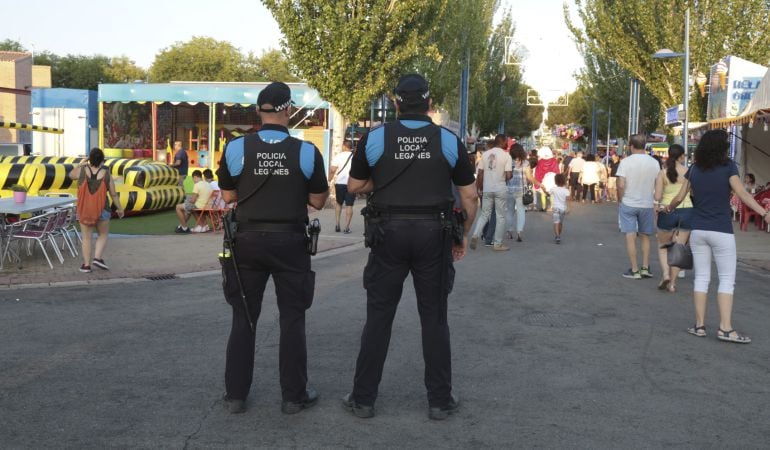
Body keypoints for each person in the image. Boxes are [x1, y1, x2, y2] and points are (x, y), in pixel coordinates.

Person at [343, 74, 477, 420]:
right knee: (434, 318)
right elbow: (469, 196)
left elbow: (356, 185)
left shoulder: (375, 137)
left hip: (388, 233)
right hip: (434, 233)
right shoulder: (449, 140)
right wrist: (462, 234)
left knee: (378, 317)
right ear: (429, 103)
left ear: (395, 102)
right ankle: (439, 400)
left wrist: (382, 181)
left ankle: (363, 399)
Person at [216, 81, 329, 414]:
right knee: (292, 318)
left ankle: (236, 395)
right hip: (291, 240)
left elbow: (229, 196)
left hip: (247, 241)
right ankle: (293, 396)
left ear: (258, 112)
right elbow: (318, 201)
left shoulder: (237, 148)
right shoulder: (306, 151)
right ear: (289, 111)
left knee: (243, 317)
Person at [667, 129, 769, 343]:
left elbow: (679, 196)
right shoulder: (728, 167)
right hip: (721, 229)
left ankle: (699, 325)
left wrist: (668, 208)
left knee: (702, 278)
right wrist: (764, 213)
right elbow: (741, 193)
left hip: (698, 230)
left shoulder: (693, 169)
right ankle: (725, 328)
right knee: (726, 280)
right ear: (722, 147)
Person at [68, 148, 125, 273]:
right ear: (102, 160)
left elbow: (71, 175)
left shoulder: (82, 171)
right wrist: (120, 209)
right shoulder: (106, 173)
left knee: (87, 237)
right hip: (102, 209)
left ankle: (86, 265)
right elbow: (114, 194)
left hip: (85, 208)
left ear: (90, 159)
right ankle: (97, 258)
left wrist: (81, 163)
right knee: (103, 234)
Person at [617, 134, 660, 280]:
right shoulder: (654, 163)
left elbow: (621, 184)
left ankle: (634, 270)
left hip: (629, 202)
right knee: (645, 236)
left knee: (630, 236)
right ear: (645, 146)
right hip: (647, 204)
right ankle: (645, 267)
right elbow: (657, 184)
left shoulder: (625, 162)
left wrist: (621, 198)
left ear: (631, 146)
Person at [654, 144, 692, 292]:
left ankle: (665, 274)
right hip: (687, 210)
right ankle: (673, 284)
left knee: (663, 246)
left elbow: (657, 196)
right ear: (681, 156)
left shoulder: (662, 173)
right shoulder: (689, 172)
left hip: (667, 210)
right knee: (679, 248)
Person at [470, 134, 512, 251]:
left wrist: (479, 188)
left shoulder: (485, 154)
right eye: (506, 141)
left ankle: (475, 235)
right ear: (502, 141)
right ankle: (497, 243)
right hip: (500, 189)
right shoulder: (506, 156)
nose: (507, 144)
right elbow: (508, 175)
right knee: (500, 216)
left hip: (487, 188)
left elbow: (480, 174)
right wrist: (507, 176)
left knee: (484, 214)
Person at [505, 143, 535, 242]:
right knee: (521, 211)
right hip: (521, 191)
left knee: (509, 211)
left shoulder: (508, 162)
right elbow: (530, 178)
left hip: (508, 190)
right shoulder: (525, 163)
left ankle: (509, 232)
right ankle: (519, 232)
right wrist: (539, 184)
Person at [329, 140, 356, 233]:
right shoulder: (355, 157)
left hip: (340, 183)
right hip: (351, 184)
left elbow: (332, 170)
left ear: (344, 146)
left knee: (339, 203)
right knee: (349, 205)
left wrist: (329, 179)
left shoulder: (338, 156)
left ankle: (337, 225)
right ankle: (346, 227)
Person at [533, 146, 560, 212]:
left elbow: (538, 173)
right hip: (552, 180)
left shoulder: (540, 162)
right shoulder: (554, 160)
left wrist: (536, 183)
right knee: (552, 194)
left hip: (543, 180)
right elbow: (557, 171)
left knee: (543, 193)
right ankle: (552, 207)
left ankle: (543, 207)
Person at [549, 173, 570, 244]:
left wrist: (543, 189)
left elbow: (548, 193)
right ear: (564, 181)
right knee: (560, 223)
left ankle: (557, 236)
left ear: (555, 181)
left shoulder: (553, 189)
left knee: (556, 223)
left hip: (555, 208)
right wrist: (568, 208)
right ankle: (558, 235)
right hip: (563, 208)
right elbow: (568, 200)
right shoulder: (566, 190)